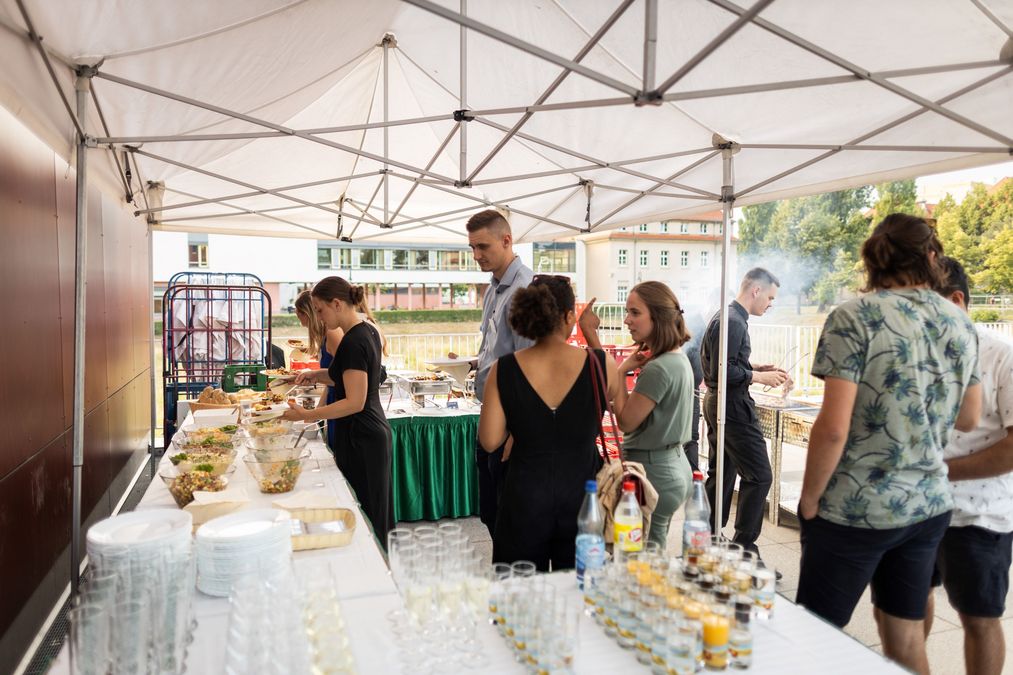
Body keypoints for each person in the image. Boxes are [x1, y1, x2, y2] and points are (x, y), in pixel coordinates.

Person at [795, 214, 981, 675]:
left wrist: (810, 499)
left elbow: (833, 427)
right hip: (927, 505)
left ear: (873, 260)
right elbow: (970, 417)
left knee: (812, 635)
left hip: (857, 507)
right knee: (904, 636)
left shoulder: (853, 316)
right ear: (931, 258)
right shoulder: (957, 321)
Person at [478, 275, 619, 570]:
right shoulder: (600, 364)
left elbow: (490, 440)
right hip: (584, 499)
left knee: (522, 601)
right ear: (569, 316)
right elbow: (624, 413)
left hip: (524, 499)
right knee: (580, 595)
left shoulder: (503, 369)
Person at [924, 256, 1013, 675]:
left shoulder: (1002, 359)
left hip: (979, 515)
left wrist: (939, 471)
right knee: (907, 604)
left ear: (956, 300)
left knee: (978, 618)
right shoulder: (919, 356)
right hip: (919, 508)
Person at [579, 281, 695, 550]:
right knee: (652, 552)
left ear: (658, 316)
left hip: (654, 471)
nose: (627, 320)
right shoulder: (676, 358)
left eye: (634, 313)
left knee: (638, 560)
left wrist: (620, 372)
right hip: (673, 465)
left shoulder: (659, 368)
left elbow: (627, 422)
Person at [283, 276, 394, 544]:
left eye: (320, 310)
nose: (319, 318)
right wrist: (315, 375)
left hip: (363, 435)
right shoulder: (365, 330)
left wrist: (307, 416)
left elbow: (354, 401)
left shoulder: (353, 341)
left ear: (336, 304)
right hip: (367, 432)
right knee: (371, 510)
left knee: (368, 514)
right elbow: (345, 378)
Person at [700, 268, 788, 552]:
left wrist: (755, 367)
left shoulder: (727, 317)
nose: (770, 304)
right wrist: (759, 378)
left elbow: (727, 362)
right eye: (770, 297)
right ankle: (744, 547)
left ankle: (708, 539)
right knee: (760, 476)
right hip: (732, 406)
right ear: (756, 291)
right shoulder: (734, 321)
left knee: (723, 472)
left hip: (719, 401)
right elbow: (720, 369)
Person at [464, 209, 533, 537]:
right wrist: (475, 364)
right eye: (472, 248)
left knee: (508, 519)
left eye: (483, 247)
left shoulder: (525, 290)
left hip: (511, 421)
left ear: (507, 241)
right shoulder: (493, 287)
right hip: (492, 413)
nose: (476, 256)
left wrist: (518, 433)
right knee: (491, 512)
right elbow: (496, 349)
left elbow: (531, 367)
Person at [295, 290, 343, 448]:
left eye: (299, 316)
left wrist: (315, 413)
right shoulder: (323, 336)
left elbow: (342, 377)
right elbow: (330, 384)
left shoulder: (333, 334)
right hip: (333, 403)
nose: (300, 322)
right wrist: (314, 414)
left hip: (342, 406)